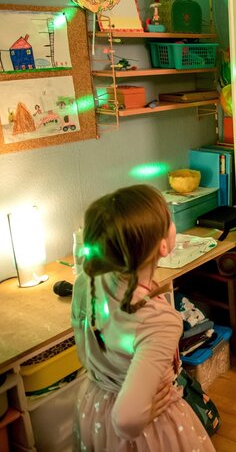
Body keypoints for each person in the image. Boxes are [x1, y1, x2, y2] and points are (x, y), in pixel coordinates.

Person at [71, 184, 215, 451]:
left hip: (97, 406)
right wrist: (142, 414)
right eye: (169, 220)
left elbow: (87, 347)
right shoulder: (160, 322)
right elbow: (126, 420)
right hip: (148, 431)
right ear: (163, 246)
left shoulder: (86, 281)